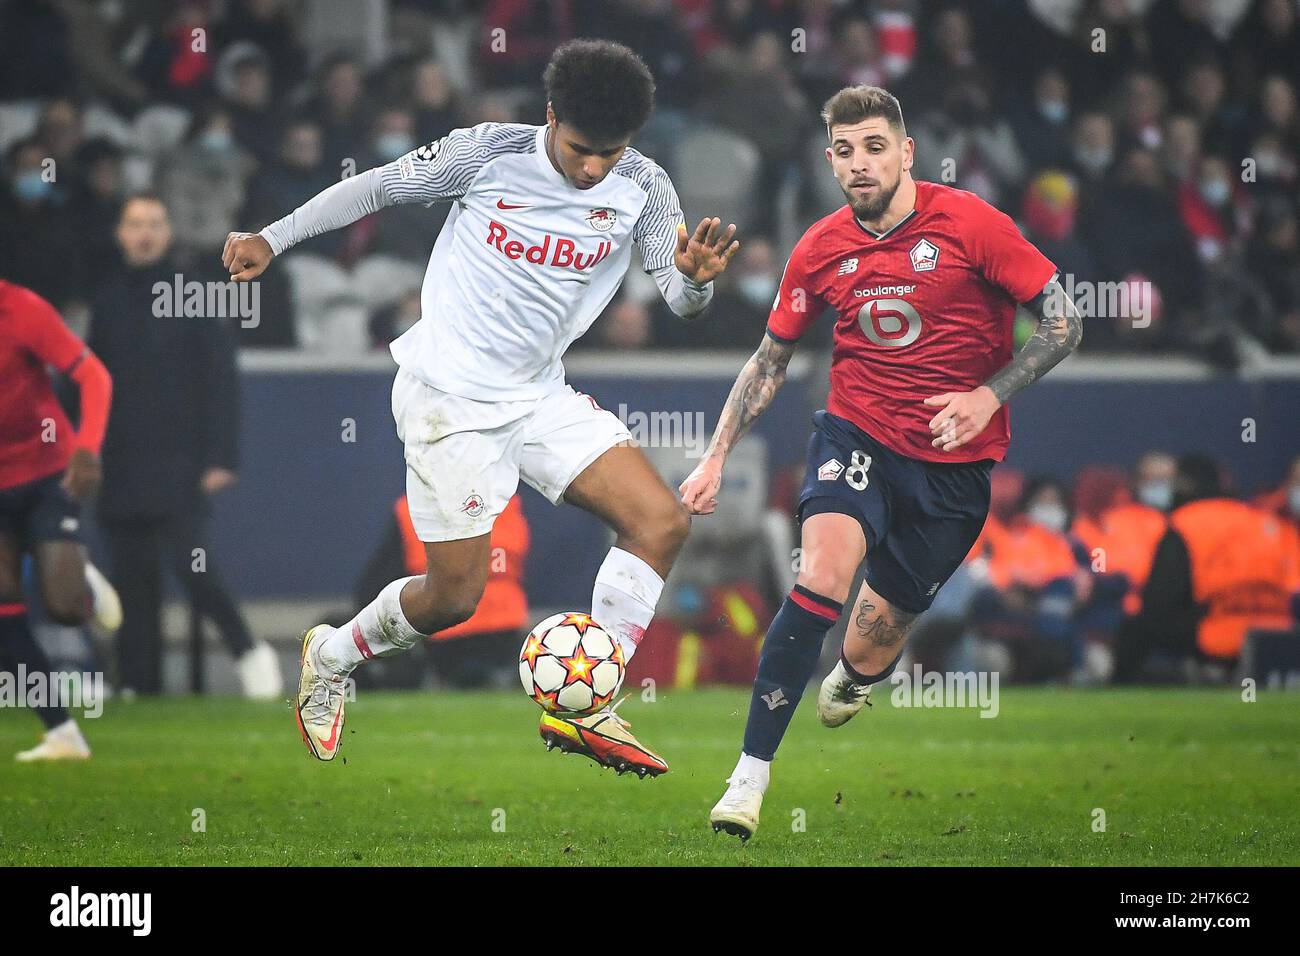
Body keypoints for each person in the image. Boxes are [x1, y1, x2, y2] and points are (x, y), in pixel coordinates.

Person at [222, 40, 739, 776]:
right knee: (454, 598)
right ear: (552, 117)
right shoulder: (487, 154)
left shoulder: (645, 187)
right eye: (582, 149)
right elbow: (374, 188)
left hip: (538, 394)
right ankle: (331, 655)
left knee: (660, 521)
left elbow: (682, 300)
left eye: (611, 153)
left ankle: (588, 701)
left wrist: (697, 282)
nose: (594, 168)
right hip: (448, 400)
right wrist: (273, 237)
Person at [680, 85, 1082, 839]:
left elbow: (1064, 322)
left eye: (874, 148)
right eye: (844, 150)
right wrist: (713, 457)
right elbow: (770, 362)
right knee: (821, 577)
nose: (859, 164)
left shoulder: (972, 224)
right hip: (856, 437)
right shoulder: (820, 246)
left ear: (905, 154)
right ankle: (748, 779)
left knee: (871, 641)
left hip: (954, 470)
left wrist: (990, 396)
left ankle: (856, 676)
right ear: (829, 159)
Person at [90, 193, 278, 698]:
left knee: (190, 564)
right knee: (131, 578)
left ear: (168, 232)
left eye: (154, 223)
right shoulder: (105, 301)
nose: (144, 232)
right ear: (121, 234)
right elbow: (89, 383)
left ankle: (249, 651)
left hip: (179, 460)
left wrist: (222, 456)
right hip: (121, 459)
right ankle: (137, 683)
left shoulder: (194, 294)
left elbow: (221, 381)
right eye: (135, 223)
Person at [0, 279, 115, 761]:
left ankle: (81, 583)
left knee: (64, 606)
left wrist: (87, 447)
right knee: (4, 607)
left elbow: (94, 377)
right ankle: (62, 732)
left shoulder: (22, 310)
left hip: (49, 474)